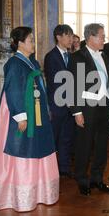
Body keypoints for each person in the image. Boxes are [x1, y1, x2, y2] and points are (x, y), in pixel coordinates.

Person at [0, 27, 59, 212]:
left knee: (38, 147)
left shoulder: (32, 62)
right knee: (22, 147)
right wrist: (20, 116)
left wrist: (45, 108)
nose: (34, 43)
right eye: (31, 40)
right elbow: (14, 90)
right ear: (19, 43)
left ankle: (40, 192)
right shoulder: (14, 64)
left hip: (37, 112)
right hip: (21, 113)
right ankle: (18, 196)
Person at [68, 23, 109, 196]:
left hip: (104, 107)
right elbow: (71, 87)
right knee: (84, 145)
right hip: (86, 109)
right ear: (90, 37)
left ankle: (97, 179)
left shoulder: (105, 56)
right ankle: (82, 180)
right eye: (102, 36)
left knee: (102, 146)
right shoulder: (77, 57)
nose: (105, 39)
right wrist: (77, 112)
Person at [44, 24, 75, 178]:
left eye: (71, 36)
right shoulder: (51, 57)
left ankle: (64, 168)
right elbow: (56, 82)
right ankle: (49, 171)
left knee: (67, 138)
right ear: (59, 37)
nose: (71, 39)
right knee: (53, 139)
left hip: (70, 106)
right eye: (68, 36)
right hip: (57, 104)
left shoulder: (71, 56)